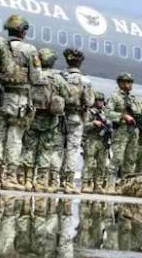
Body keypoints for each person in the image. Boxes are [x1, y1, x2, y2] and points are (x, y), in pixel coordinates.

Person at [0, 14, 40, 190]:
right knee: (15, 139)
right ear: (23, 31)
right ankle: (10, 177)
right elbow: (36, 77)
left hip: (0, 98)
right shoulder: (29, 50)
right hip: (19, 100)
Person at [23, 48, 69, 191]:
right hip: (50, 119)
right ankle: (41, 182)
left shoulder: (34, 75)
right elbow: (67, 95)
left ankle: (27, 180)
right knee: (46, 150)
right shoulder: (57, 78)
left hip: (33, 116)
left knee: (29, 148)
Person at [58, 48, 95, 192]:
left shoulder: (60, 77)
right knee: (72, 149)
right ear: (80, 63)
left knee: (57, 147)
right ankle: (68, 182)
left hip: (60, 116)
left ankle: (53, 179)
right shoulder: (85, 80)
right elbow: (90, 101)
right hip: (76, 117)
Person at [106, 72, 142, 192]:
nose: (128, 84)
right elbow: (107, 113)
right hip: (121, 132)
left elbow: (141, 115)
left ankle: (125, 187)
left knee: (130, 160)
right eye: (126, 82)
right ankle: (110, 185)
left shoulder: (134, 99)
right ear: (120, 83)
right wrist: (123, 116)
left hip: (133, 132)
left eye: (130, 82)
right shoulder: (115, 97)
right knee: (117, 158)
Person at [82, 92, 111, 192]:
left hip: (103, 141)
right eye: (99, 100)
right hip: (91, 140)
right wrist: (93, 123)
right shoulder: (90, 112)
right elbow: (84, 126)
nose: (101, 103)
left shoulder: (105, 113)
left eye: (102, 101)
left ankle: (98, 184)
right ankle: (86, 183)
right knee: (89, 163)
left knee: (102, 164)